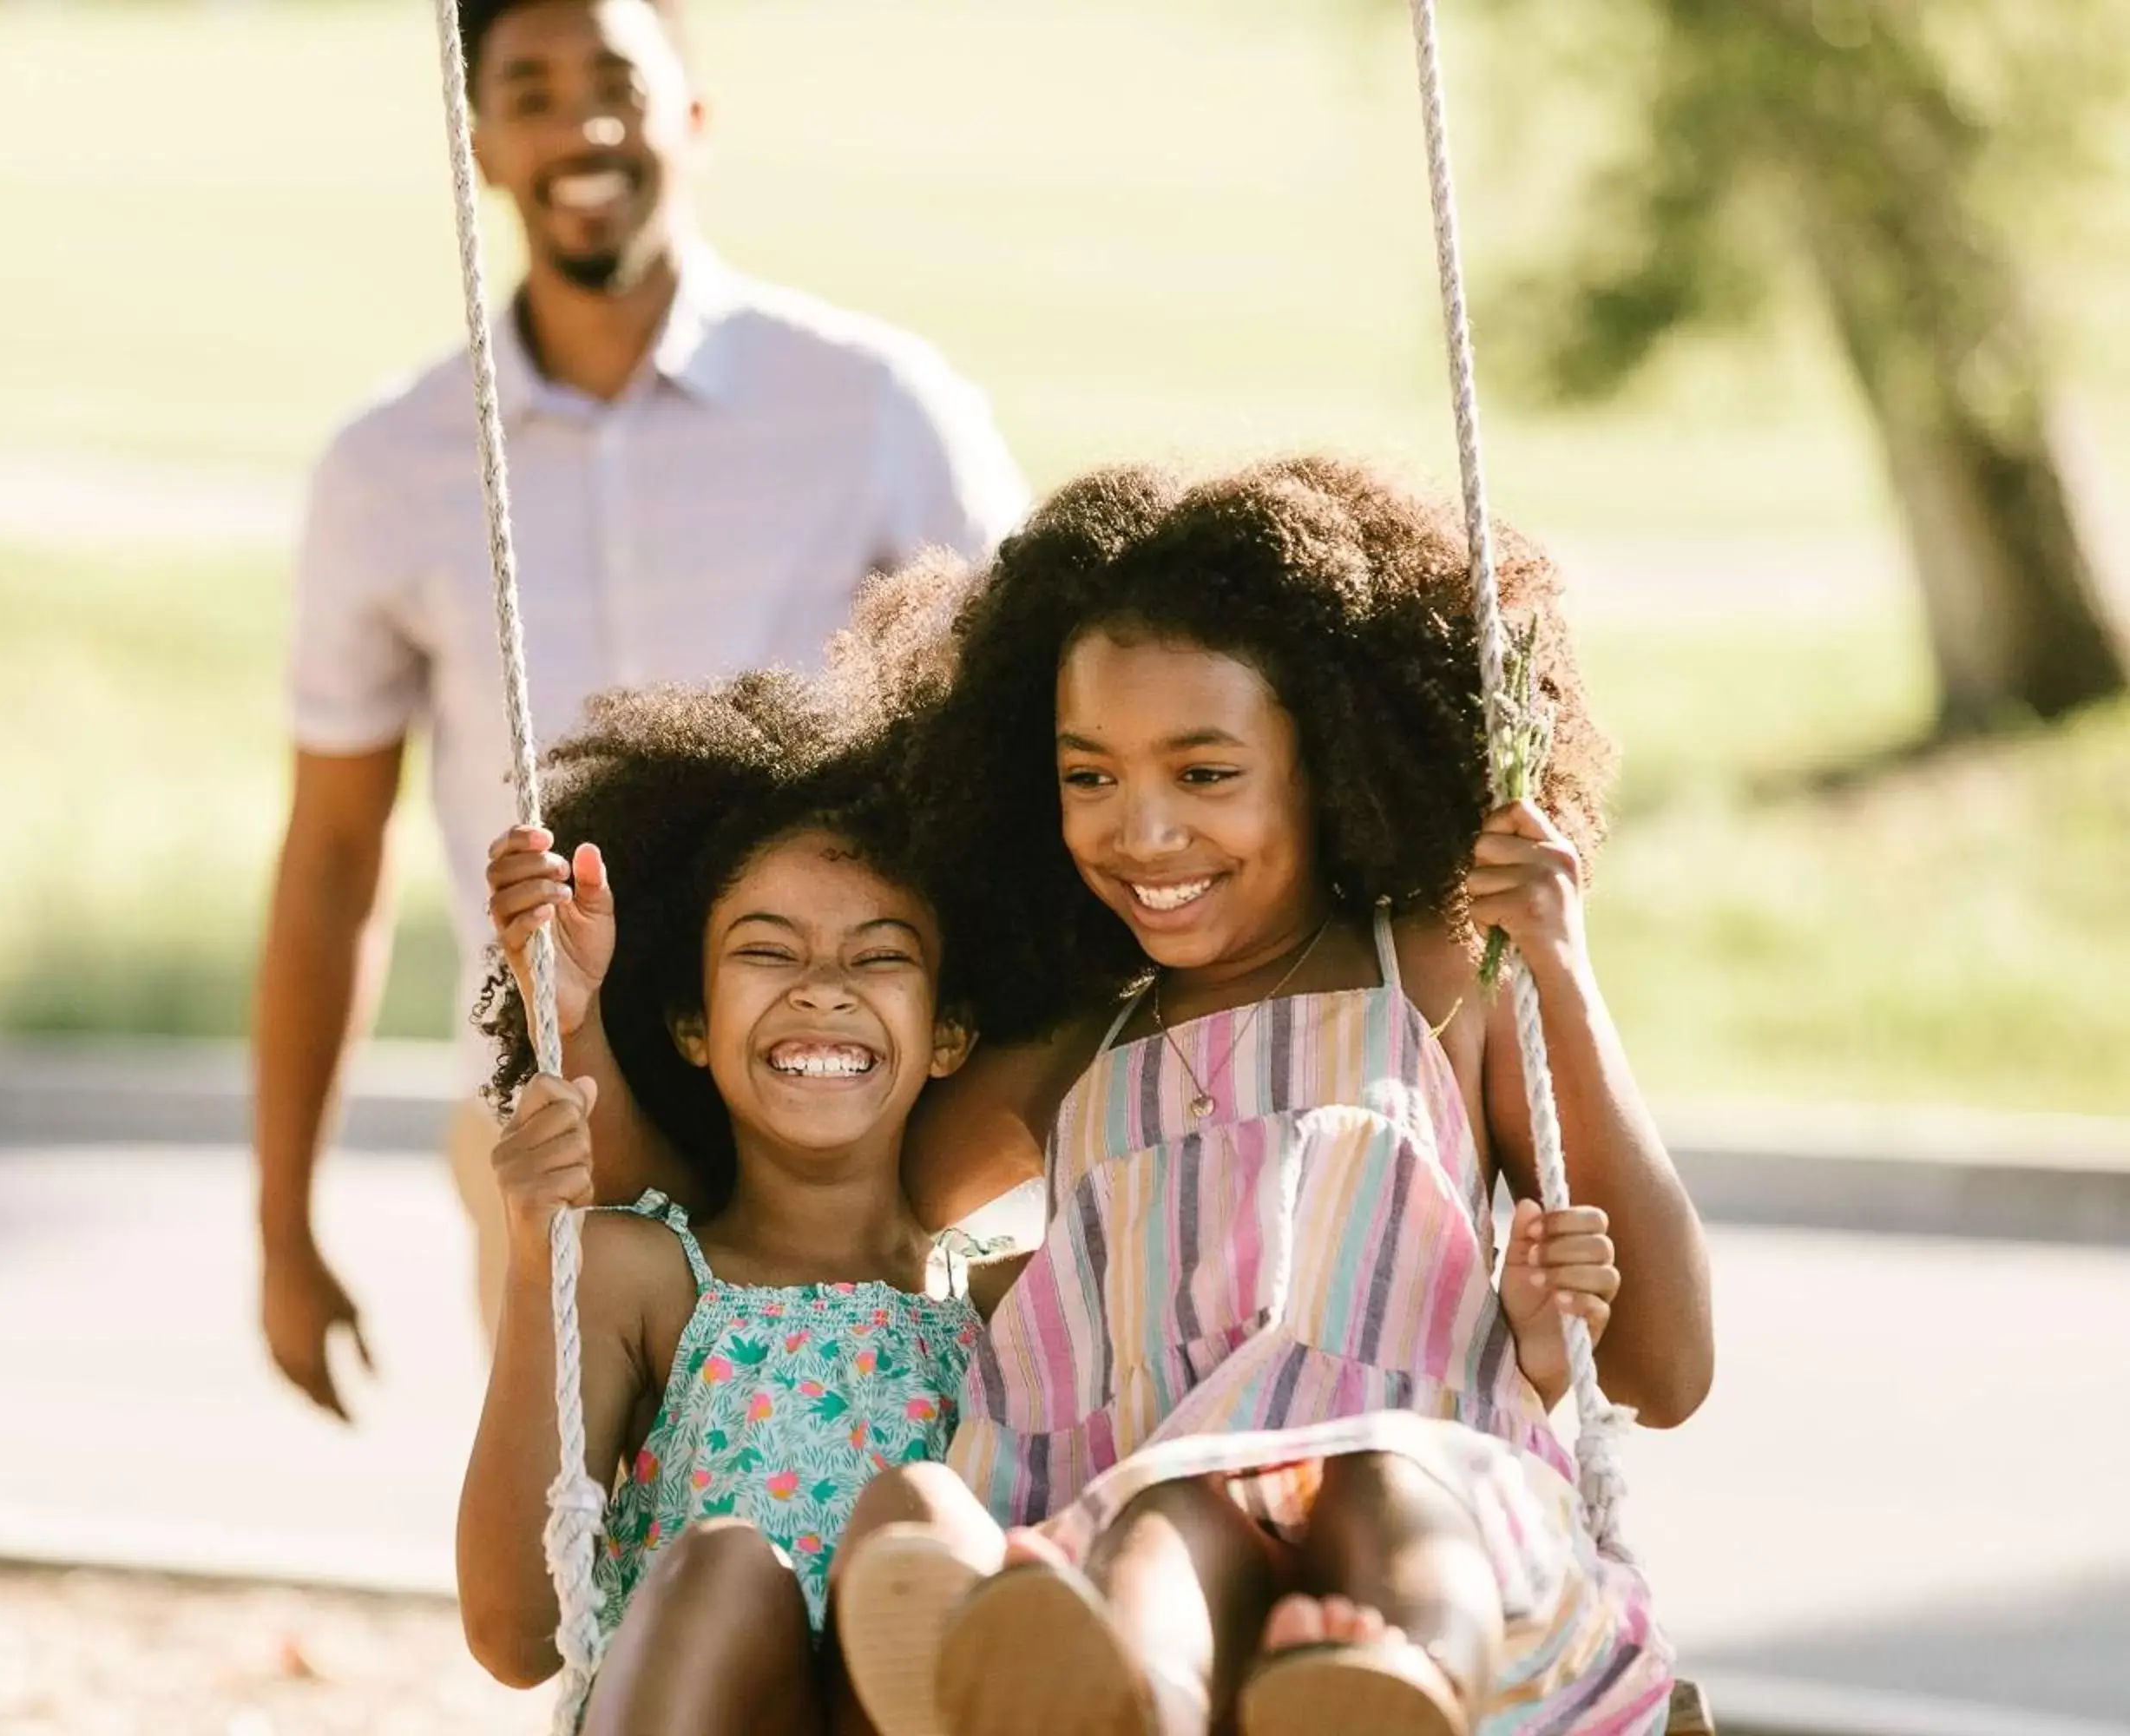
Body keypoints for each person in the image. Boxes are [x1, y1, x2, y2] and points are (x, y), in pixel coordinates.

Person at [825, 458, 1710, 1734]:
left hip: (1423, 1503)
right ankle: (1118, 1696)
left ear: (1330, 763)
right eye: (1089, 776)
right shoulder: (1081, 1049)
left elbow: (1668, 1367)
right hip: (1166, 1516)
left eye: (1205, 773)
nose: (1142, 831)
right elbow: (861, 1216)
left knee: (1385, 1497)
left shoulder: (1440, 973)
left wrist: (1559, 965)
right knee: (1168, 1525)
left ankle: (1390, 1693)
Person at [254, 0, 1026, 1416]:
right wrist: (284, 1224)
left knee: (861, 1521)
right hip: (555, 1105)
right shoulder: (389, 464)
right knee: (579, 1575)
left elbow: (1023, 755)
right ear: (480, 139)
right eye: (531, 92)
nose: (582, 127)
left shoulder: (878, 407)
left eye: (617, 82)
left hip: (846, 1086)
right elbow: (330, 861)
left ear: (696, 118)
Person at [456, 668, 1012, 1734]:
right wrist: (540, 1256)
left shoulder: (1001, 1305)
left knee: (924, 1529)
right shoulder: (644, 1275)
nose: (822, 985)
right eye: (766, 950)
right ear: (691, 1026)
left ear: (951, 1032)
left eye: (881, 954)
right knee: (724, 1568)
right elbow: (511, 1629)